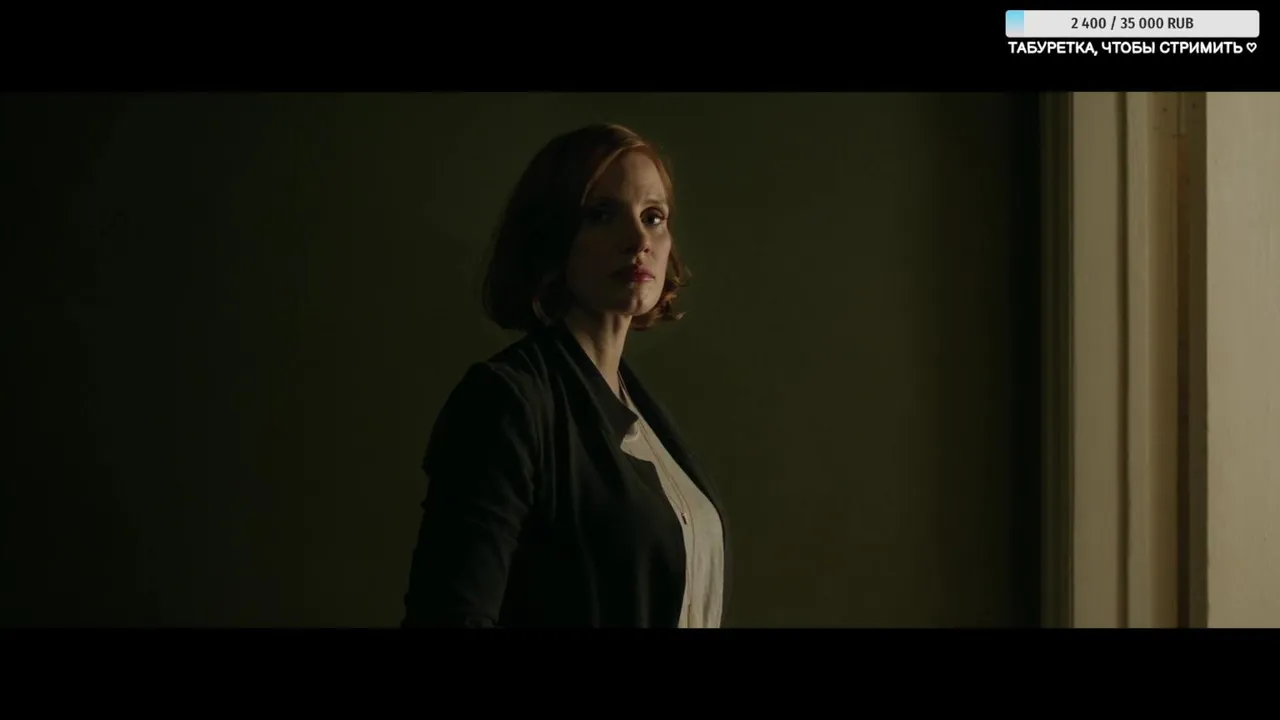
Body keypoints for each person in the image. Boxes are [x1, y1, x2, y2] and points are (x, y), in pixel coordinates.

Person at [401, 123, 730, 628]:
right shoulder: (507, 401)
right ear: (552, 235)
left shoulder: (642, 413)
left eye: (653, 217)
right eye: (602, 214)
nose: (638, 240)